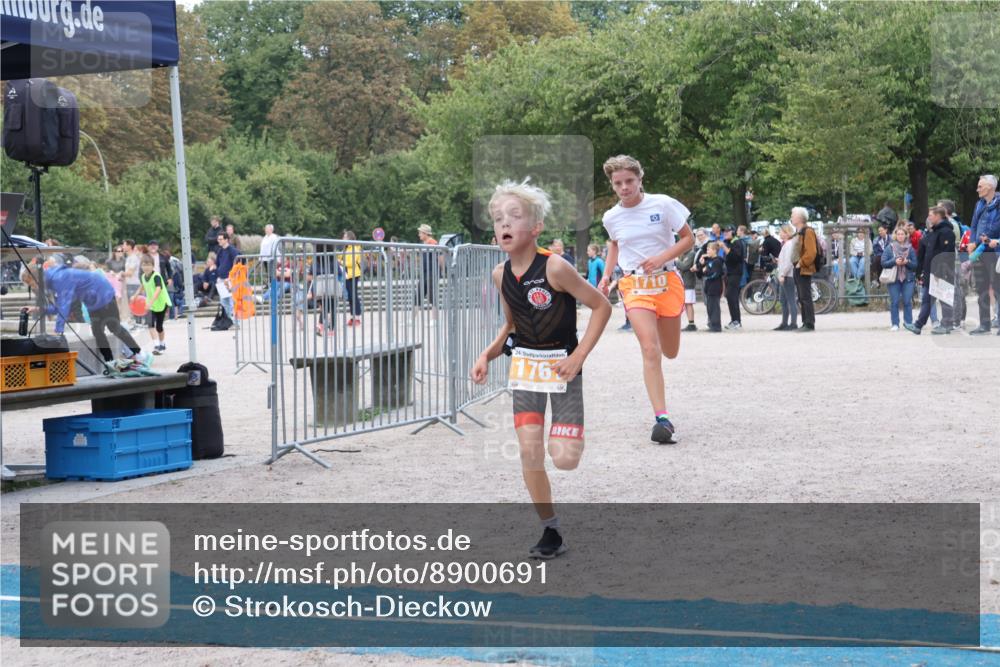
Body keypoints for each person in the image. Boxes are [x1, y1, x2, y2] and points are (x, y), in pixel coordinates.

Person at [470, 179, 610, 560]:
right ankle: (551, 531)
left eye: (514, 216)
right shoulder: (500, 275)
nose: (504, 223)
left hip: (563, 367)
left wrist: (579, 356)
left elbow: (602, 307)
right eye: (498, 217)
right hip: (526, 370)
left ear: (535, 228)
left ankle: (569, 435)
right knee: (529, 452)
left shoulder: (556, 267)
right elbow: (513, 325)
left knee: (564, 458)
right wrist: (488, 354)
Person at [597, 155, 694, 444]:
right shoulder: (611, 217)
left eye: (629, 181)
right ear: (613, 186)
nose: (624, 187)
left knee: (670, 351)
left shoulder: (662, 204)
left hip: (667, 281)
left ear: (640, 179)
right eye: (618, 183)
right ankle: (661, 419)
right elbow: (615, 243)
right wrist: (607, 274)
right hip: (634, 284)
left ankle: (664, 338)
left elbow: (688, 239)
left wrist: (661, 257)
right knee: (649, 349)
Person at [20, 258, 147, 368]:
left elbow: (64, 307)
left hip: (104, 293)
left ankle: (138, 354)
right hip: (92, 301)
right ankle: (110, 362)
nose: (32, 287)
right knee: (97, 332)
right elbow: (60, 307)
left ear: (35, 277)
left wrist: (59, 330)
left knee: (114, 327)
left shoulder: (59, 278)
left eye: (30, 283)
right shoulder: (52, 281)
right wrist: (37, 309)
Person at [905, 206, 956, 335]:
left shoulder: (946, 232)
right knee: (927, 300)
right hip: (930, 272)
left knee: (944, 299)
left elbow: (946, 255)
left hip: (941, 272)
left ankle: (946, 325)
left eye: (931, 215)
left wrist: (941, 272)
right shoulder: (933, 232)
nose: (928, 217)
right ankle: (918, 326)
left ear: (938, 216)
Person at [967, 174, 1000, 335]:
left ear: (991, 187)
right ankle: (984, 325)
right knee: (981, 289)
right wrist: (973, 242)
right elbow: (973, 226)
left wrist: (992, 240)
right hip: (980, 252)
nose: (977, 189)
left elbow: (996, 228)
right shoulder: (978, 204)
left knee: (998, 288)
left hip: (995, 252)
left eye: (980, 186)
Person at [882, 226, 918, 331]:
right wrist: (894, 261)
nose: (900, 236)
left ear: (906, 235)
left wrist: (907, 262)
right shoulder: (890, 248)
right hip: (894, 279)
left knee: (907, 301)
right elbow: (883, 263)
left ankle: (908, 323)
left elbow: (915, 265)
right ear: (895, 235)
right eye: (898, 234)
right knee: (895, 301)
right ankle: (895, 324)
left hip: (908, 278)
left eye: (902, 234)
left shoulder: (911, 248)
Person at [136, 253, 172, 354]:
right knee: (150, 324)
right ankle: (156, 345)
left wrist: (150, 301)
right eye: (144, 265)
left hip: (161, 302)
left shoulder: (156, 276)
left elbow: (158, 289)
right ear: (141, 266)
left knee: (159, 327)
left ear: (153, 266)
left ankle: (162, 343)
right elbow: (142, 286)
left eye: (148, 265)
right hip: (150, 304)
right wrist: (135, 296)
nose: (146, 267)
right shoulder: (143, 276)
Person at [791, 206, 818, 332]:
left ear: (799, 218)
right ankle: (805, 322)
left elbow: (811, 252)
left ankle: (809, 323)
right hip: (798, 268)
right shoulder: (799, 231)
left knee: (805, 296)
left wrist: (800, 263)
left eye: (793, 215)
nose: (791, 217)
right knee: (801, 297)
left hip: (803, 268)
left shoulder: (808, 231)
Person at [695, 241, 724, 332]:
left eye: (708, 249)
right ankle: (711, 324)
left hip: (715, 287)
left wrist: (705, 271)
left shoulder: (717, 261)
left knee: (714, 307)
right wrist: (701, 264)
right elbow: (700, 273)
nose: (707, 251)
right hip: (709, 287)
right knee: (709, 307)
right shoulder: (709, 261)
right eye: (706, 249)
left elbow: (714, 274)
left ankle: (716, 326)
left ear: (714, 250)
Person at [775, 224, 799, 331]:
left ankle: (793, 323)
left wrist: (783, 274)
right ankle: (784, 323)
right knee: (783, 300)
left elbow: (790, 261)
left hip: (788, 276)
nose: (779, 233)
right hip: (784, 275)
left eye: (781, 231)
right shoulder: (786, 244)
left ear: (786, 233)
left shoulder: (789, 244)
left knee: (790, 300)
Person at [214, 232, 241, 324]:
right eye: (218, 239)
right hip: (221, 279)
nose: (219, 241)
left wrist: (231, 277)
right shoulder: (220, 251)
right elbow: (218, 264)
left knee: (232, 301)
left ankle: (237, 322)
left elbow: (239, 263)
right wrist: (218, 276)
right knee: (224, 302)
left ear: (226, 240)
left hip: (230, 279)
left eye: (221, 239)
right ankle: (229, 321)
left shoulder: (232, 250)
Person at [721, 227, 744, 330]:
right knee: (730, 296)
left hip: (735, 273)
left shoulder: (737, 242)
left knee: (732, 295)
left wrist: (725, 248)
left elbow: (735, 257)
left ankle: (737, 321)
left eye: (727, 231)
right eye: (724, 232)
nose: (725, 233)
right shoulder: (729, 242)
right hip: (730, 273)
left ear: (733, 232)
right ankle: (734, 320)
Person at [339, 230, 364, 326]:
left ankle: (357, 317)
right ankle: (352, 317)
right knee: (350, 297)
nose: (343, 238)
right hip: (346, 274)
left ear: (349, 238)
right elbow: (340, 258)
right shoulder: (346, 248)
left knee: (353, 295)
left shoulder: (355, 248)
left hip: (353, 274)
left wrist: (341, 262)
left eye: (344, 237)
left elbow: (351, 262)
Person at [675, 242, 698, 331]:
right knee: (685, 303)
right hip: (682, 282)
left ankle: (691, 323)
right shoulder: (683, 254)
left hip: (688, 282)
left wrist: (676, 261)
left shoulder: (691, 253)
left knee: (689, 303)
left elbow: (684, 266)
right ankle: (690, 323)